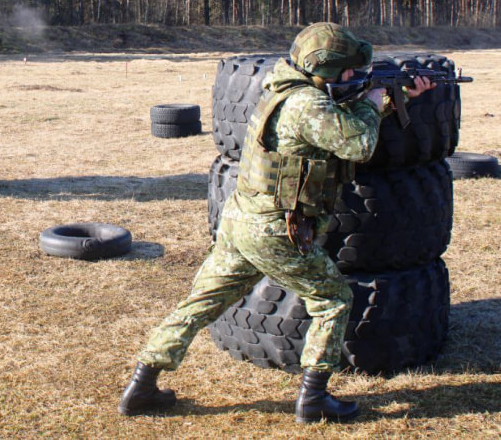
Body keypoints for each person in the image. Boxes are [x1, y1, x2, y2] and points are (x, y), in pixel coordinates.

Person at [118, 23, 435, 423]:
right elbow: (359, 142)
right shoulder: (307, 105)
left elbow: (334, 126)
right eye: (348, 72)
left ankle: (142, 384)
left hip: (241, 220)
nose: (354, 77)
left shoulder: (285, 88)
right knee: (334, 299)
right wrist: (373, 100)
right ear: (324, 71)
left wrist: (399, 96)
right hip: (275, 231)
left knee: (200, 303)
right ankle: (314, 398)